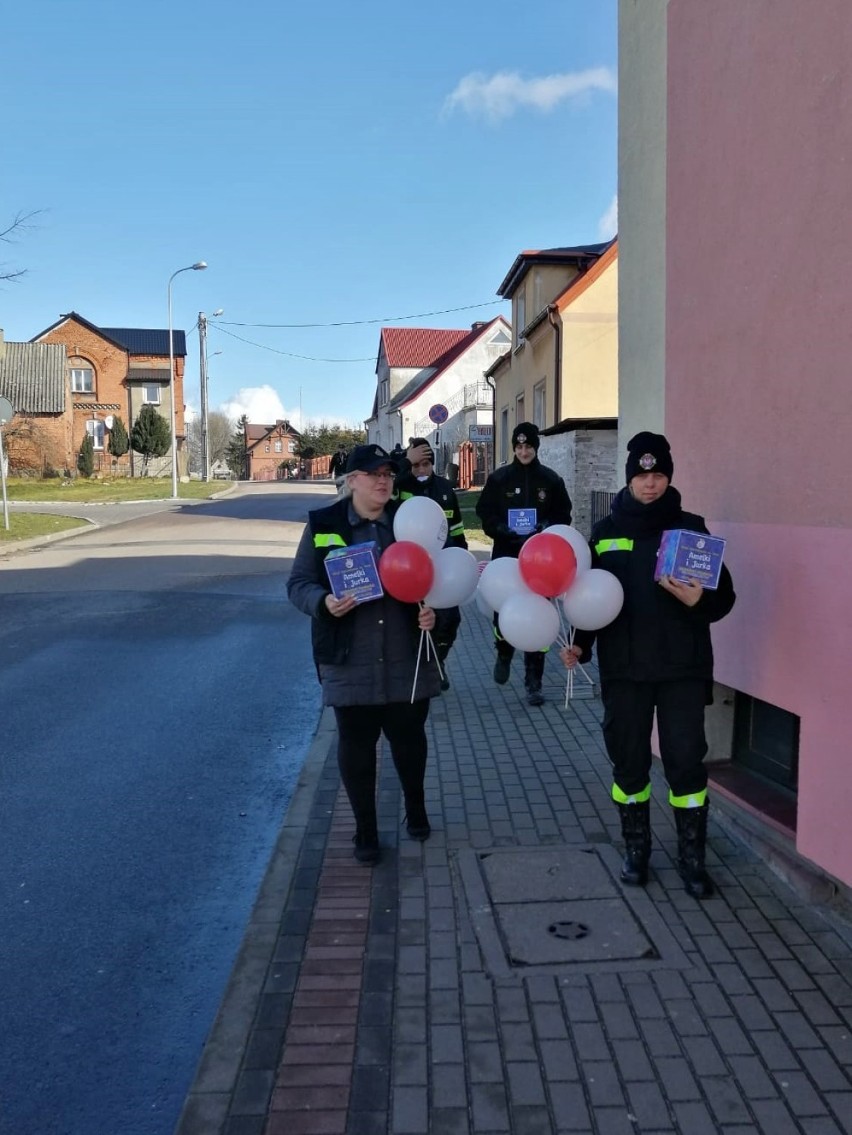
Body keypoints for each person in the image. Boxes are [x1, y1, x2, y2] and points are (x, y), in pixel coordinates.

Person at [560, 431, 735, 899]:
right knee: (629, 764)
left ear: (669, 477)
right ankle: (636, 850)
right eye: (642, 475)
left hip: (681, 670)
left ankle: (692, 859)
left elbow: (724, 599)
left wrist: (703, 599)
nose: (651, 483)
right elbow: (590, 600)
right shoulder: (606, 533)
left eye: (658, 475)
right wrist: (580, 645)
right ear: (629, 478)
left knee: (685, 765)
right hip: (625, 671)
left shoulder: (691, 530)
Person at [287, 443, 441, 865]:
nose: (383, 481)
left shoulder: (410, 523)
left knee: (410, 743)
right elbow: (298, 584)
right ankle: (366, 830)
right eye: (373, 474)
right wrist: (323, 603)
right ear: (351, 481)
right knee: (356, 749)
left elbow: (437, 580)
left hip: (406, 655)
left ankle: (416, 808)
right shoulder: (324, 524)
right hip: (349, 658)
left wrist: (433, 614)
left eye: (389, 474)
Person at [476, 422, 573, 706]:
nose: (523, 451)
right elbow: (484, 512)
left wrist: (546, 526)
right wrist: (501, 529)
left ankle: (534, 682)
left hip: (540, 561)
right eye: (518, 447)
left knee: (539, 615)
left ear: (535, 447)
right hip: (507, 556)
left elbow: (563, 514)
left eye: (528, 446)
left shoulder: (551, 480)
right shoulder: (499, 479)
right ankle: (503, 652)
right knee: (502, 613)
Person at [394, 438, 467, 691]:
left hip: (442, 569)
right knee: (415, 623)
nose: (421, 470)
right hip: (407, 569)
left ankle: (438, 662)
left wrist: (462, 559)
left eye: (425, 464)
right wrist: (405, 462)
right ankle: (422, 669)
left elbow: (456, 528)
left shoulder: (445, 489)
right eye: (416, 465)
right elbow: (386, 475)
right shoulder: (399, 485)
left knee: (449, 621)